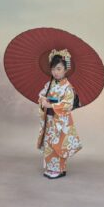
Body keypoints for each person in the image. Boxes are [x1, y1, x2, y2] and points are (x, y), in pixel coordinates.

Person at [37, 49, 83, 179]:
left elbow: (67, 104)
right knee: (49, 143)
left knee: (58, 144)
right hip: (50, 119)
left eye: (58, 69)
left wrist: (51, 105)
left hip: (61, 120)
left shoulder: (68, 87)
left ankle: (59, 169)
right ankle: (50, 168)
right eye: (53, 69)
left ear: (65, 69)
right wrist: (43, 100)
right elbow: (41, 95)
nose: (55, 72)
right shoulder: (49, 84)